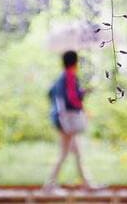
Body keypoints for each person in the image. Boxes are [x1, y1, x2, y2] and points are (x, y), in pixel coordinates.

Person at [44, 50, 99, 192]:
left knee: (77, 153)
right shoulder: (69, 76)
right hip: (66, 121)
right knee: (64, 153)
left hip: (62, 120)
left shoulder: (61, 77)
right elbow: (72, 99)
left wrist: (80, 94)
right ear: (75, 62)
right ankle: (50, 185)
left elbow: (52, 94)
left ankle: (87, 184)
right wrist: (82, 98)